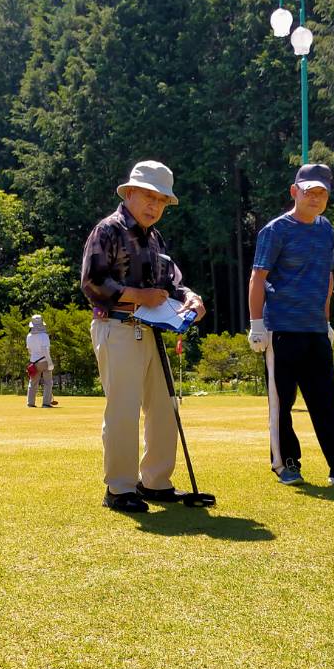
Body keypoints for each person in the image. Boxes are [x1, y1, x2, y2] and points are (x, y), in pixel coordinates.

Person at [247, 164, 334, 487]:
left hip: (315, 330)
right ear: (295, 191)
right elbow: (258, 277)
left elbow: (327, 277)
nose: (316, 198)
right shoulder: (275, 230)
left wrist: (326, 321)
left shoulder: (325, 229)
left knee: (326, 402)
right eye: (310, 192)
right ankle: (285, 464)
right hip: (280, 329)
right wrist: (256, 324)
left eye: (322, 193)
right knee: (282, 403)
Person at [81, 160, 205, 512]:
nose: (154, 206)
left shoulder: (155, 238)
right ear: (130, 192)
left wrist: (190, 298)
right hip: (116, 326)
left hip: (152, 330)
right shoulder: (107, 230)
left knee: (165, 407)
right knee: (123, 410)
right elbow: (92, 283)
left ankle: (155, 482)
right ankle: (119, 489)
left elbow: (170, 284)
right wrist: (139, 295)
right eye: (149, 197)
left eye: (161, 200)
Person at [26, 313, 57, 408]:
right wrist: (50, 362)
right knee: (48, 383)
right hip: (44, 361)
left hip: (33, 362)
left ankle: (30, 403)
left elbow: (29, 350)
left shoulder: (29, 336)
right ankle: (46, 403)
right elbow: (45, 350)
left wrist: (34, 357)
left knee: (33, 383)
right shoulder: (44, 336)